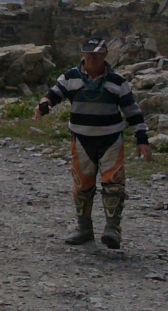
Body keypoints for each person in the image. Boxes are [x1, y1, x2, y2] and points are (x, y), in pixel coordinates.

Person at [34, 37, 152, 249]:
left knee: (114, 183)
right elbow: (54, 93)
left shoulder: (118, 82)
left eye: (97, 54)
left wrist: (142, 139)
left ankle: (112, 229)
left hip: (111, 139)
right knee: (82, 185)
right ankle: (84, 228)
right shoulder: (71, 77)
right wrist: (44, 104)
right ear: (83, 54)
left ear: (105, 55)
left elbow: (133, 112)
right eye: (89, 53)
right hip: (81, 139)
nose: (92, 57)